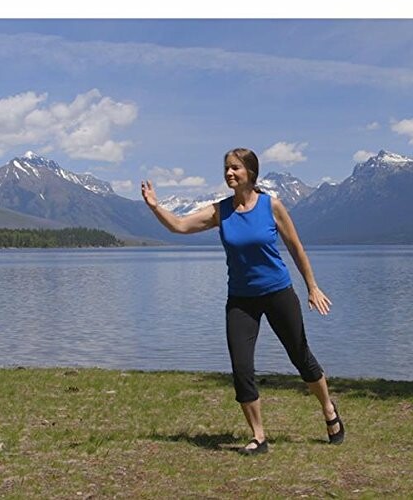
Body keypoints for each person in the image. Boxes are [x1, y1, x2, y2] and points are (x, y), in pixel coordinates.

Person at [141, 147, 344, 455]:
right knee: (241, 367)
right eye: (226, 168)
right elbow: (180, 226)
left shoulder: (271, 206)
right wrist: (156, 207)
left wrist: (312, 287)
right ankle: (259, 437)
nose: (229, 173)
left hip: (278, 292)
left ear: (251, 172)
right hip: (241, 300)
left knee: (300, 355)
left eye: (235, 168)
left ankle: (328, 409)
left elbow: (297, 248)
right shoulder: (219, 211)